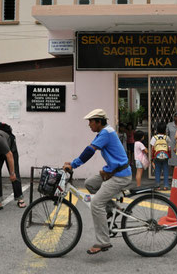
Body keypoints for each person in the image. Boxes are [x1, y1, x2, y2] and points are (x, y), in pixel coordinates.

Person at [64, 108, 132, 255]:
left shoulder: (106, 133)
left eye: (91, 121)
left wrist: (73, 164)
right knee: (90, 183)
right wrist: (73, 162)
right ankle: (115, 208)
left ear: (99, 122)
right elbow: (89, 149)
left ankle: (103, 242)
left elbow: (90, 151)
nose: (89, 124)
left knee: (96, 204)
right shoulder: (104, 132)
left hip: (120, 175)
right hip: (113, 172)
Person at [150, 122, 171, 190]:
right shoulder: (166, 137)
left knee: (157, 170)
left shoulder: (154, 138)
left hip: (157, 156)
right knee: (165, 170)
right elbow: (169, 146)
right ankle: (166, 185)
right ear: (165, 130)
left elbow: (152, 148)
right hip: (165, 156)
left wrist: (152, 157)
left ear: (157, 130)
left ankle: (157, 185)